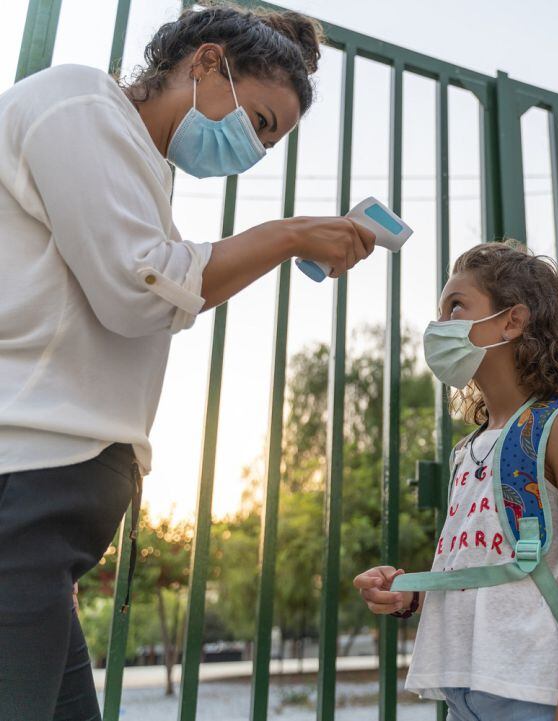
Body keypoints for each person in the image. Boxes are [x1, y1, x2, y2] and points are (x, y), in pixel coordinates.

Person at [0, 6, 376, 719]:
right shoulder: (79, 102)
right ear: (205, 63)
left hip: (48, 515)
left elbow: (153, 288)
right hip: (22, 487)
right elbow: (138, 288)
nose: (257, 150)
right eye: (261, 123)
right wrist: (288, 235)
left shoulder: (140, 168)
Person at [354, 242, 558, 721]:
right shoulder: (466, 449)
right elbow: (484, 568)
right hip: (463, 694)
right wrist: (410, 591)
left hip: (532, 693)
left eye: (456, 306)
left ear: (512, 321)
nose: (439, 325)